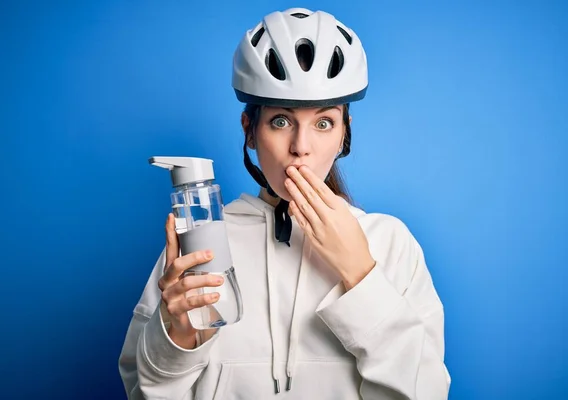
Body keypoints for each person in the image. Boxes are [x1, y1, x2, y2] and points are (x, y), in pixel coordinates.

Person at [118, 7, 451, 400]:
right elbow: (144, 394)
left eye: (323, 123)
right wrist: (176, 339)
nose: (301, 148)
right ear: (251, 132)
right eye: (280, 120)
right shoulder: (202, 245)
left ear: (345, 134)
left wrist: (360, 272)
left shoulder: (390, 243)